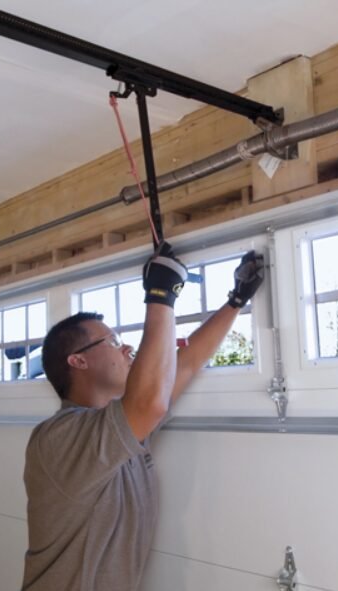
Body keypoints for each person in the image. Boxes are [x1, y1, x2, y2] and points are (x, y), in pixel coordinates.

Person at [21, 242, 265, 591]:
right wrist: (159, 294)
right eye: (112, 341)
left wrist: (237, 300)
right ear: (78, 360)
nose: (126, 348)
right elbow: (150, 401)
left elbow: (185, 365)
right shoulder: (57, 439)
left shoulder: (125, 430)